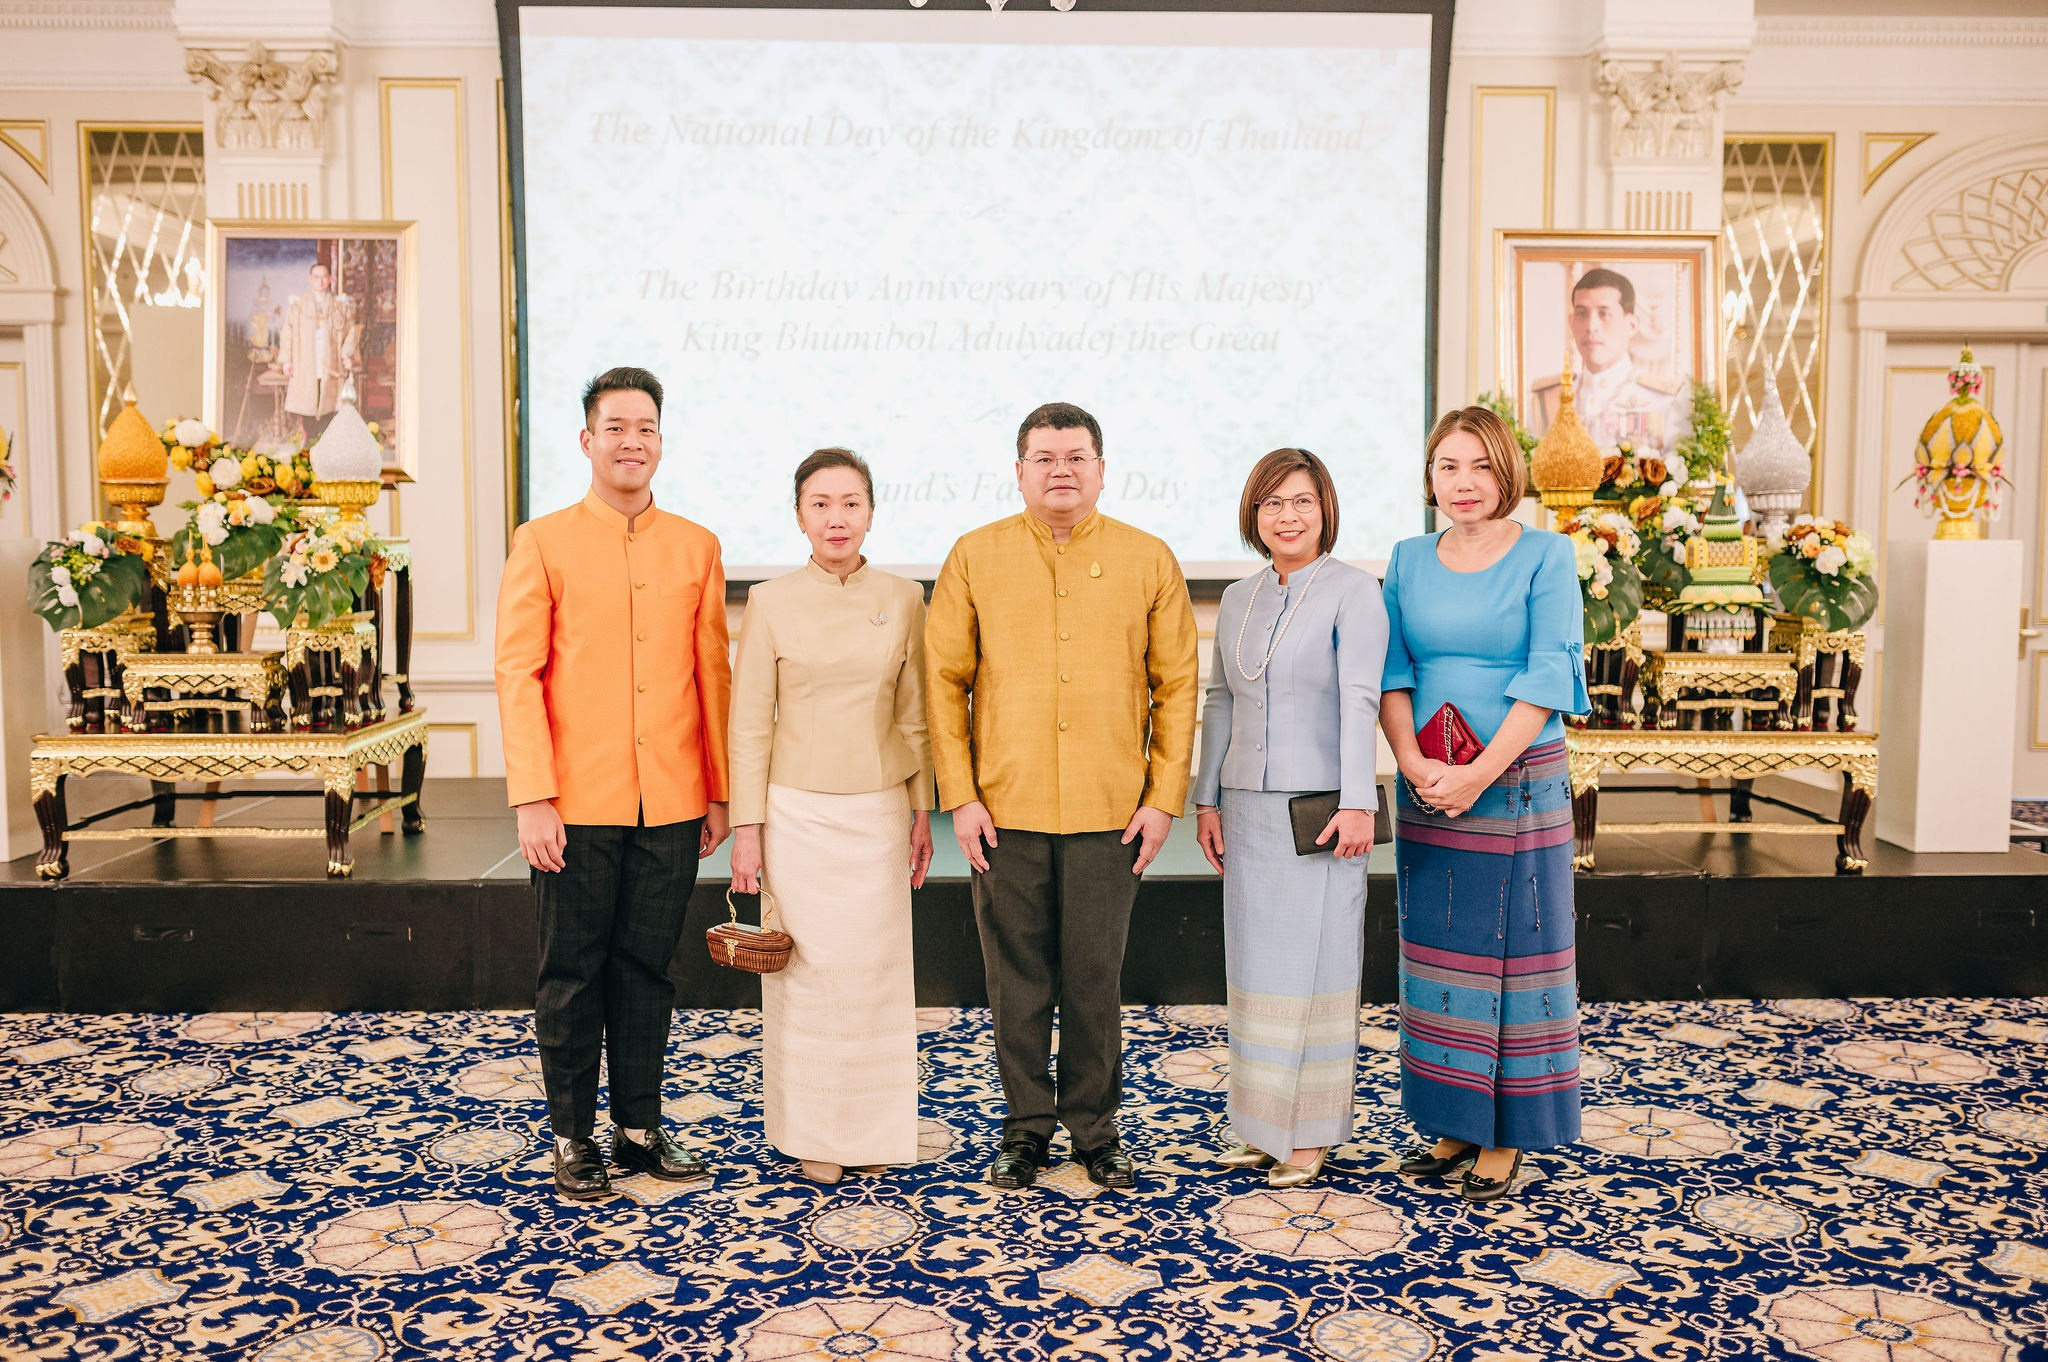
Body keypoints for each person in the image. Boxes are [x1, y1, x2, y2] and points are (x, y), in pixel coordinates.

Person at [926, 401, 1199, 1191]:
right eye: (1044, 457)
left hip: (1111, 811)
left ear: (1103, 469)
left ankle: (1095, 1129)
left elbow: (1177, 687)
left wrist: (1162, 799)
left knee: (1092, 979)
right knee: (1016, 982)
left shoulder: (1149, 559)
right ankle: (1024, 1129)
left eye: (1076, 456)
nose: (1061, 471)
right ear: (1018, 471)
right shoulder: (974, 557)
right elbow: (944, 684)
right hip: (1001, 811)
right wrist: (961, 797)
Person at [494, 365, 733, 1201]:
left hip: (669, 799)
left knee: (649, 971)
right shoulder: (544, 540)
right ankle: (571, 1134)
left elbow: (712, 676)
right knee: (571, 972)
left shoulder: (696, 545)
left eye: (647, 428)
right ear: (588, 439)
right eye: (617, 426)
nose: (633, 441)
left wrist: (718, 790)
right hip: (575, 802)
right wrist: (532, 795)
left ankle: (638, 1125)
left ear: (661, 441)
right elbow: (517, 673)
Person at [1380, 405, 1590, 1203]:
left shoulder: (1546, 554)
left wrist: (1480, 773)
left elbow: (1546, 675)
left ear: (1506, 470)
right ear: (1429, 477)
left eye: (1478, 466)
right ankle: (1454, 1119)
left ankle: (1510, 1133)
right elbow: (1392, 669)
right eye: (1446, 468)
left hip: (1517, 776)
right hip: (1428, 775)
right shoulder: (1406, 558)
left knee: (1517, 951)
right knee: (1439, 950)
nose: (1462, 484)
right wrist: (1412, 760)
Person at [728, 448, 936, 1186]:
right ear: (798, 516)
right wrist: (746, 828)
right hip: (796, 816)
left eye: (850, 503)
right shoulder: (771, 599)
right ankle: (813, 1131)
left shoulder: (905, 596)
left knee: (875, 977)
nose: (836, 518)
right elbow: (750, 721)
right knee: (809, 981)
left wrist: (921, 812)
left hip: (879, 811)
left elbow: (915, 717)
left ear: (871, 511)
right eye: (821, 504)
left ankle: (875, 1129)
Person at [1193, 448, 1387, 1188]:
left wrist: (1360, 800)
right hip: (1246, 807)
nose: (1287, 516)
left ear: (1324, 508)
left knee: (1319, 967)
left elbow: (1361, 699)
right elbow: (1219, 701)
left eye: (1301, 501)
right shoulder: (1241, 599)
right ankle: (1262, 1123)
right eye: (1272, 503)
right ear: (1254, 514)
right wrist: (1206, 796)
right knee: (1257, 971)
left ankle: (1311, 1133)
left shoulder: (1353, 592)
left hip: (1323, 811)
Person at [1529, 267, 1690, 461]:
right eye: (1582, 314)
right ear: (1572, 322)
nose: (1591, 326)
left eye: (1604, 314)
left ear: (1631, 325)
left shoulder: (1664, 400)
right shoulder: (1547, 399)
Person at [279, 259, 361, 442]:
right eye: (316, 277)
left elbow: (350, 332)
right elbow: (287, 332)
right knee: (308, 401)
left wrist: (347, 353)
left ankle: (325, 441)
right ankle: (309, 441)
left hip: (329, 361)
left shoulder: (340, 305)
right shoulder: (299, 305)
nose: (321, 281)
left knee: (329, 401)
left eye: (324, 277)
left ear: (330, 279)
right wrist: (286, 360)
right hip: (305, 361)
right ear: (310, 279)